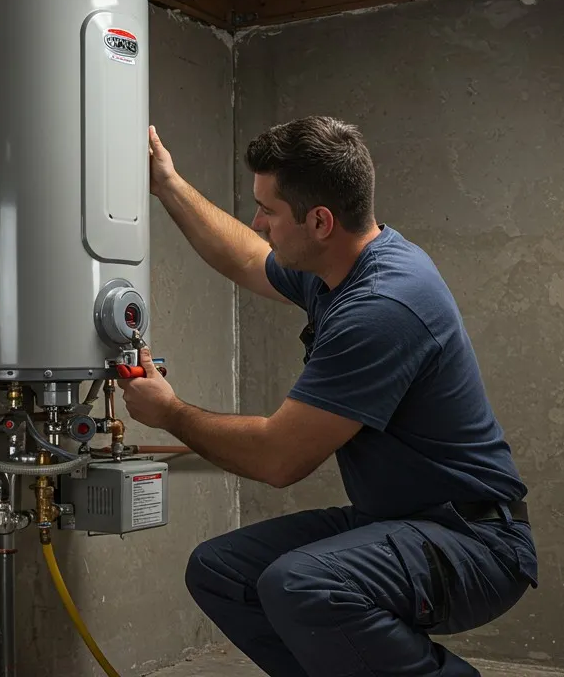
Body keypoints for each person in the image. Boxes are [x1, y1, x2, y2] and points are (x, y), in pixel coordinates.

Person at [118, 116, 538, 676]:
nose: (258, 220)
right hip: (398, 521)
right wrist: (167, 182)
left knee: (303, 584)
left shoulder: (383, 306)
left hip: (472, 540)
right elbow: (247, 257)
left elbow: (278, 458)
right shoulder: (341, 264)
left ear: (319, 220)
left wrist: (168, 412)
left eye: (268, 208)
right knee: (221, 571)